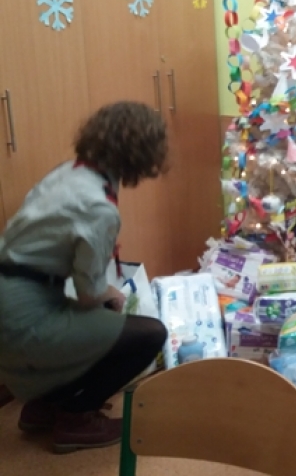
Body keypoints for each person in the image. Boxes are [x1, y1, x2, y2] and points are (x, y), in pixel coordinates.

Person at [0, 101, 169, 454]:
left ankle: (46, 405)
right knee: (148, 334)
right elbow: (90, 292)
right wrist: (113, 295)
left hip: (12, 301)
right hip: (21, 320)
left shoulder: (67, 173)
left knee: (102, 322)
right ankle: (76, 417)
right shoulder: (98, 206)